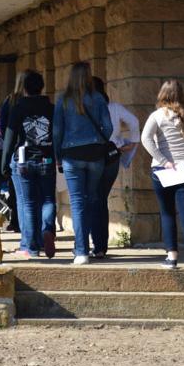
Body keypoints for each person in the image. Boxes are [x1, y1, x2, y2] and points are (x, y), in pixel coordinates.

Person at [140, 78, 184, 294]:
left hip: (164, 172)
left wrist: (163, 161)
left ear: (162, 94)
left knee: (167, 214)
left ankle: (172, 257)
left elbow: (145, 139)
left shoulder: (157, 116)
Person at [53, 62, 113, 265]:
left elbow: (57, 131)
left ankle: (81, 251)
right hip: (95, 154)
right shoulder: (97, 98)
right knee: (92, 199)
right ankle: (93, 245)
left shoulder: (63, 100)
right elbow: (109, 126)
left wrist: (57, 155)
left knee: (77, 202)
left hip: (71, 154)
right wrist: (99, 141)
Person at [0, 71, 57, 258]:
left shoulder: (17, 108)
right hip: (46, 157)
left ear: (24, 88)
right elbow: (57, 134)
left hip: (23, 159)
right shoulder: (51, 108)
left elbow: (9, 136)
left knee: (28, 203)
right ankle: (47, 229)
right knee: (48, 199)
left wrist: (4, 162)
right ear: (42, 87)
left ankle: (31, 248)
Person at [90, 76, 139, 258]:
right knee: (101, 199)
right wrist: (132, 142)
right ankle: (101, 246)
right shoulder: (115, 108)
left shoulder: (84, 108)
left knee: (90, 200)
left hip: (91, 157)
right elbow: (134, 122)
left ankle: (92, 244)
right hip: (112, 156)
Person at [0, 70, 30, 235]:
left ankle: (17, 222)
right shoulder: (37, 101)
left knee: (17, 190)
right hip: (37, 148)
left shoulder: (10, 101)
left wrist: (8, 143)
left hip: (16, 150)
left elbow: (2, 125)